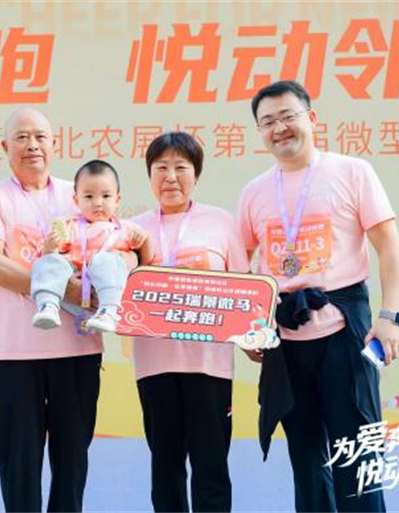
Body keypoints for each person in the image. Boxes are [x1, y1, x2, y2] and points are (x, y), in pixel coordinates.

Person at [237, 80, 399, 512]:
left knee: (356, 456)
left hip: (346, 333)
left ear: (311, 118)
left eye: (287, 116)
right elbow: (241, 269)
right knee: (307, 461)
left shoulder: (353, 172)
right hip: (285, 342)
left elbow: (389, 245)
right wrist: (248, 330)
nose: (279, 128)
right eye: (267, 122)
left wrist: (391, 317)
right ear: (260, 132)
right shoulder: (254, 192)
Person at [0, 108, 103, 512]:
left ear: (54, 144)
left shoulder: (79, 195)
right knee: (18, 466)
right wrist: (61, 289)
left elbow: (113, 247)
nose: (32, 145)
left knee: (71, 465)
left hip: (77, 350)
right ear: (4, 146)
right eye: (21, 137)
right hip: (14, 355)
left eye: (40, 136)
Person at [131, 132, 249, 512]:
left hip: (210, 366)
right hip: (154, 366)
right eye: (161, 167)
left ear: (196, 174)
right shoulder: (131, 230)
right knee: (165, 468)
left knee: (211, 466)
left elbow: (244, 290)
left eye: (181, 167)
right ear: (149, 175)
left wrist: (253, 339)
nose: (170, 177)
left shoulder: (221, 222)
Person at [30, 159, 154, 333]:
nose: (97, 202)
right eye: (88, 197)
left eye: (106, 196)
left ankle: (108, 312)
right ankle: (48, 305)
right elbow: (50, 260)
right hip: (72, 291)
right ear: (76, 200)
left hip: (107, 293)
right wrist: (50, 248)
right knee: (49, 262)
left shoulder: (125, 228)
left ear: (117, 199)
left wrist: (144, 240)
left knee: (107, 260)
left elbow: (147, 254)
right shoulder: (69, 226)